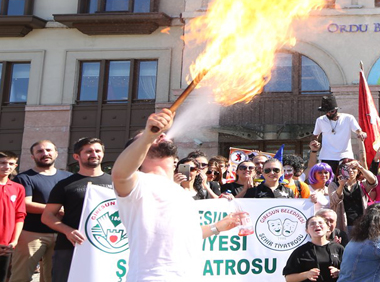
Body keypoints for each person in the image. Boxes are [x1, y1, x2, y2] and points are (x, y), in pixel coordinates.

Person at [110, 110, 244, 281]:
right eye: (148, 136)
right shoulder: (138, 182)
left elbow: (184, 234)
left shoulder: (179, 191)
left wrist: (217, 227)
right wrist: (148, 137)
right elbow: (120, 174)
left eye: (156, 134)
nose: (159, 134)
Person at [42, 137, 113, 282]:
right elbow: (47, 216)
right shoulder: (65, 184)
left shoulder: (116, 182)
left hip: (107, 247)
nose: (94, 154)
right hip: (70, 247)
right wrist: (68, 231)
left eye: (98, 151)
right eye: (88, 151)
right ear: (76, 156)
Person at [10, 140, 70, 282]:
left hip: (61, 234)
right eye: (40, 151)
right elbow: (25, 204)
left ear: (56, 153)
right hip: (31, 234)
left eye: (49, 150)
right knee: (21, 277)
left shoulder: (68, 177)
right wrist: (55, 209)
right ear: (33, 156)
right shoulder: (24, 178)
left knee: (54, 278)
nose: (45, 154)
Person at [312, 96, 367, 174]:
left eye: (331, 111)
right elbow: (315, 136)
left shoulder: (348, 118)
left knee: (346, 178)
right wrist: (314, 142)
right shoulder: (320, 120)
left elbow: (358, 130)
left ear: (336, 110)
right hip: (327, 157)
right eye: (326, 112)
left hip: (345, 156)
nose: (328, 114)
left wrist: (361, 133)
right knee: (328, 179)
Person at [283, 215, 345, 282]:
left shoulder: (338, 248)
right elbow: (289, 278)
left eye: (320, 223)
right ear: (307, 231)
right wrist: (306, 275)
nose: (317, 225)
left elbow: (351, 271)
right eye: (312, 224)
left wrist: (339, 272)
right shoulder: (300, 251)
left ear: (328, 228)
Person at [329, 158, 376, 233]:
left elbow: (373, 182)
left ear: (358, 171)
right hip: (342, 225)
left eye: (354, 168)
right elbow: (334, 200)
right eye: (346, 168)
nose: (350, 170)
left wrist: (360, 167)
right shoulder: (334, 185)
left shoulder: (362, 184)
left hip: (361, 225)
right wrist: (341, 185)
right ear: (341, 170)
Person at [0, 151, 25, 281]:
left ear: (15, 166)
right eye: (3, 163)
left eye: (11, 163)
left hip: (6, 246)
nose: (7, 166)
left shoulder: (18, 188)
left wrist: (14, 241)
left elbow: (20, 216)